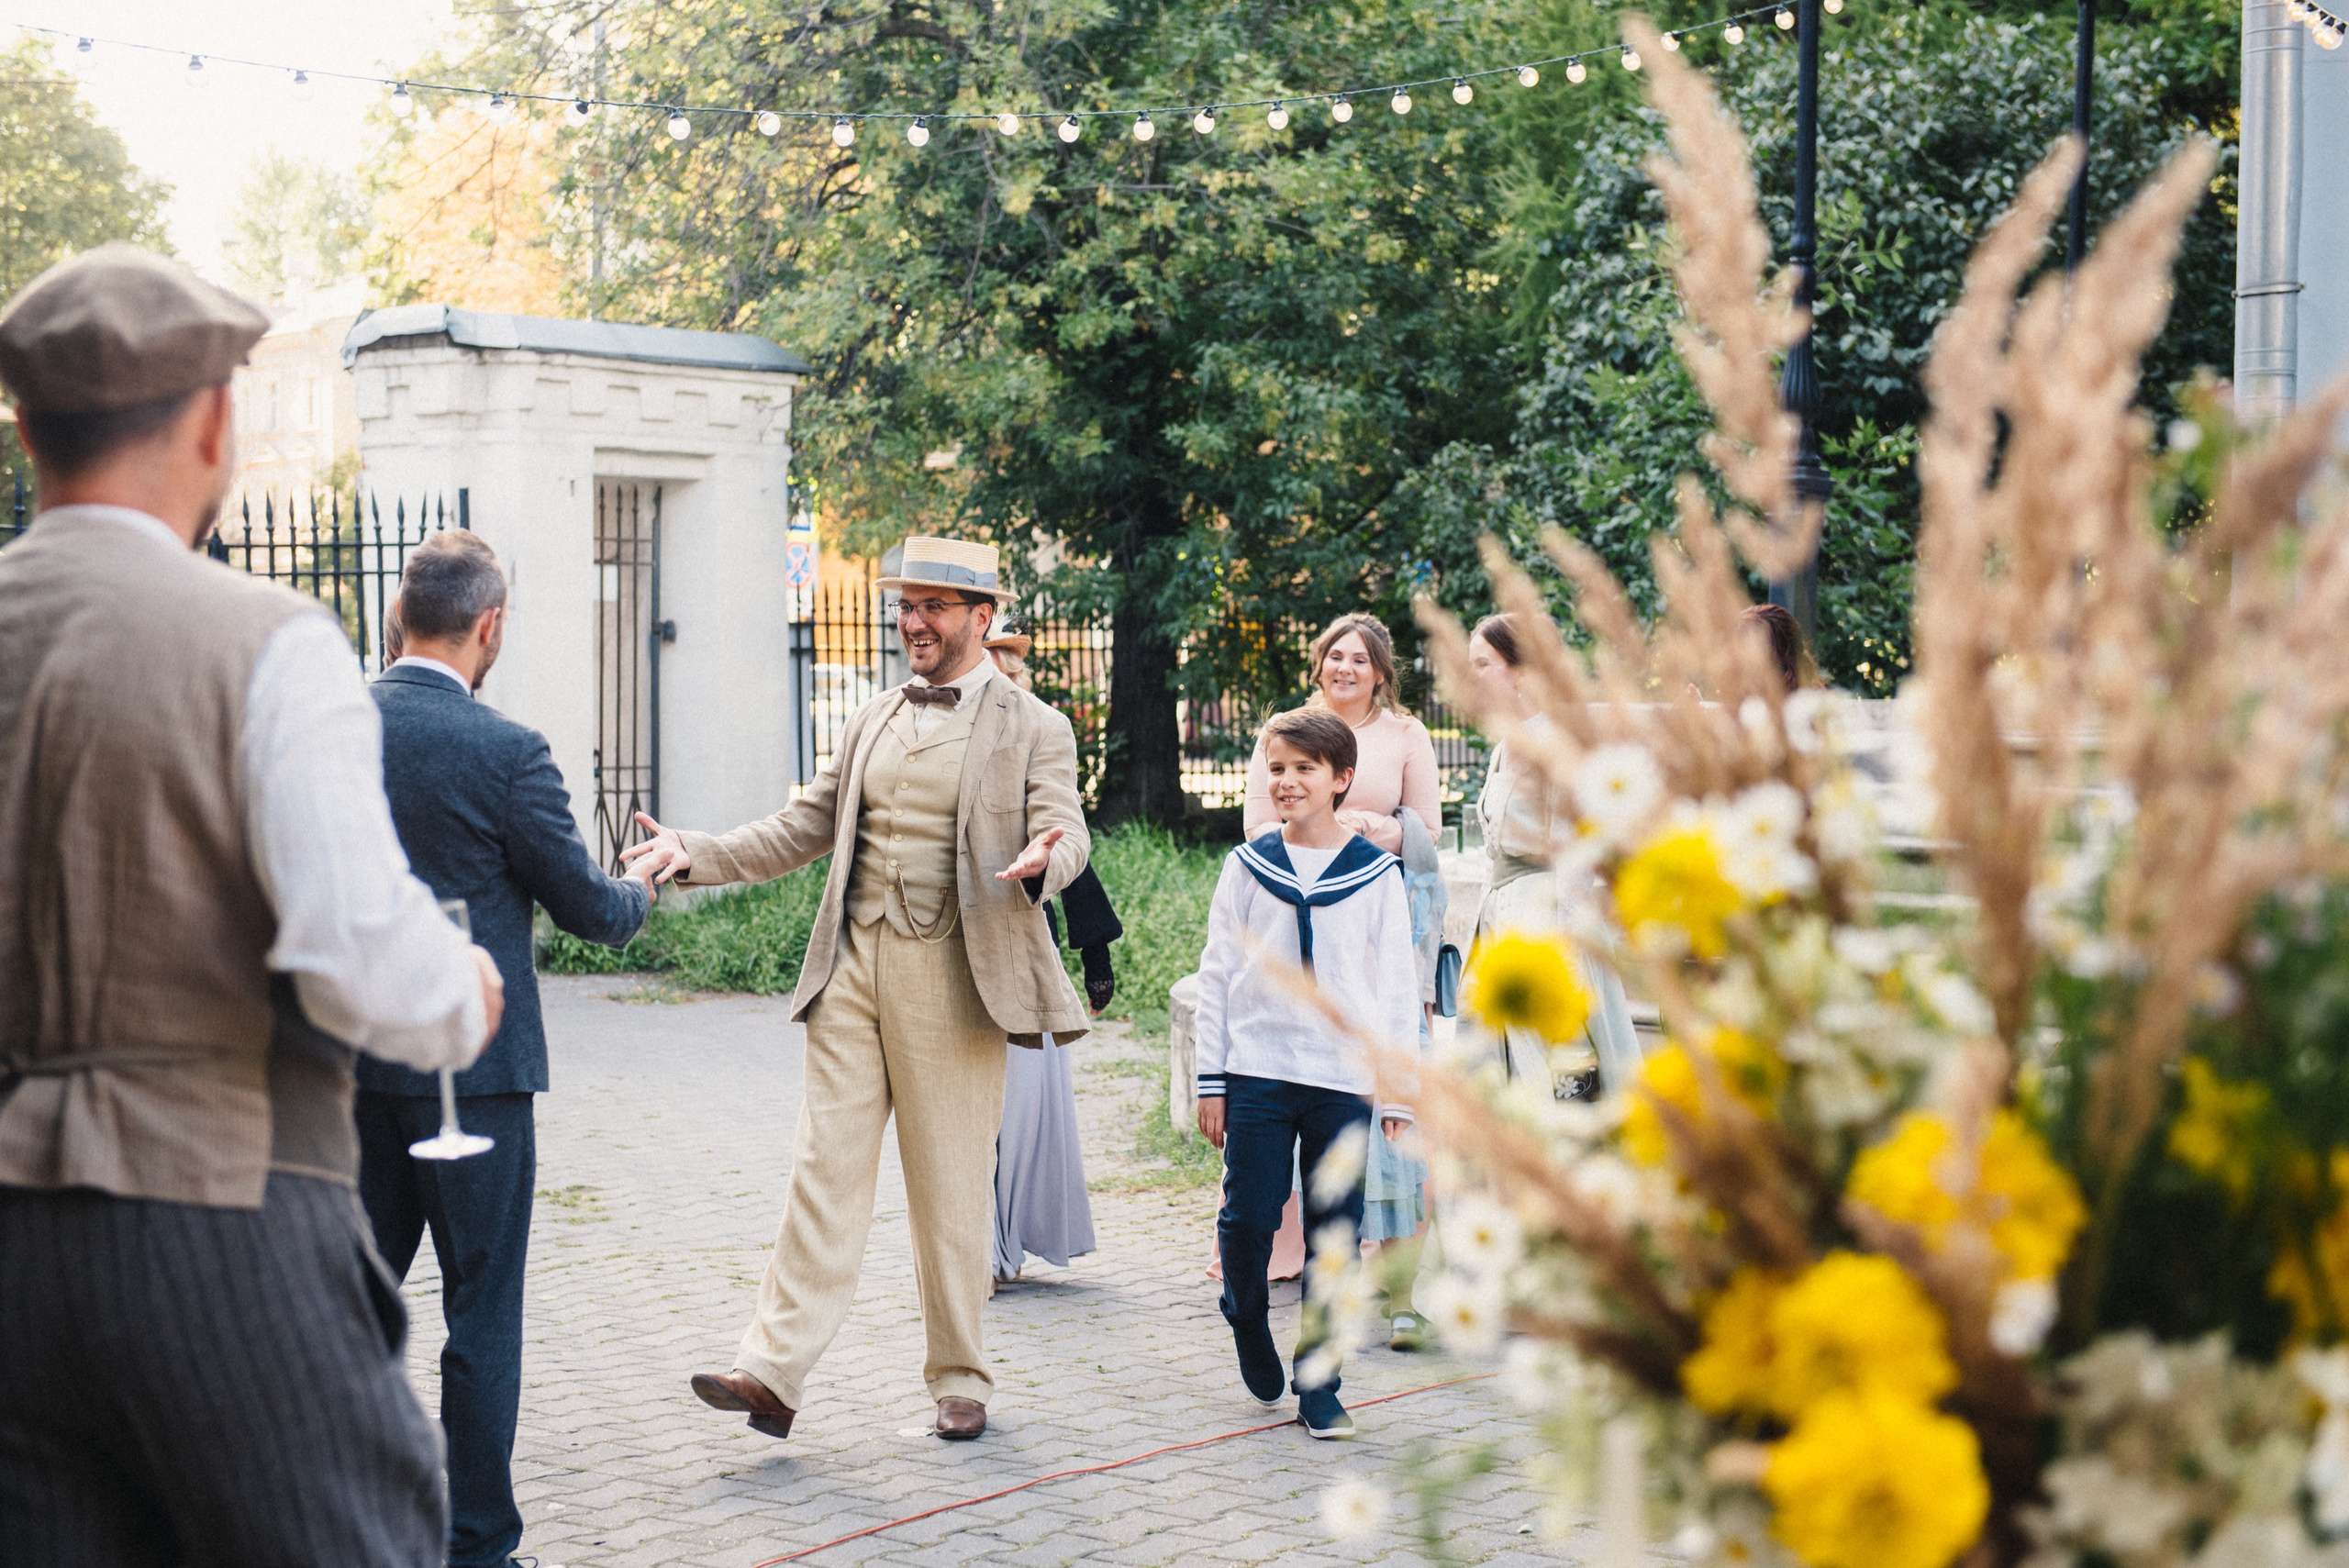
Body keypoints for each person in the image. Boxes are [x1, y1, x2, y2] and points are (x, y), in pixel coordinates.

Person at [0, 243, 504, 1566]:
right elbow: (351, 955)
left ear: (26, 427)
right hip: (222, 1208)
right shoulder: (264, 641)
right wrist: (462, 994)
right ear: (218, 417)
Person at [624, 536, 1090, 1442]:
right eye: (905, 605)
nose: (913, 621)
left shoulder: (1034, 724)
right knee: (822, 1171)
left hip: (955, 979)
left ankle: (960, 1375)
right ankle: (770, 1371)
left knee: (948, 1186)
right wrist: (696, 851)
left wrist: (1045, 863)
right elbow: (806, 822)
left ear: (980, 617)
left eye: (934, 607)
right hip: (850, 970)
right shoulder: (873, 714)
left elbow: (1064, 826)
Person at [358, 530, 654, 1568]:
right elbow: (590, 909)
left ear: (402, 614)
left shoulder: (329, 726)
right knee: (480, 1312)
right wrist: (646, 881)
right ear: (490, 625)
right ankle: (475, 1546)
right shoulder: (508, 751)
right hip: (475, 1079)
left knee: (347, 1305)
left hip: (349, 1068)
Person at [1196, 707, 1419, 1439]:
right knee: (1249, 1216)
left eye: (1303, 769)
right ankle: (1247, 1313)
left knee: (1335, 1232)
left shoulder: (1377, 874)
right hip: (1258, 1068)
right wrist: (1211, 1079)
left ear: (1340, 779)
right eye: (1277, 767)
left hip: (1341, 1077)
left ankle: (1321, 1379)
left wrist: (1397, 1092)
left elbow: (1393, 985)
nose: (1286, 781)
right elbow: (1218, 972)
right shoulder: (1247, 866)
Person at [1236, 613, 1442, 1340]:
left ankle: (1402, 1287)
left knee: (1394, 1109)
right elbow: (1259, 827)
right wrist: (1320, 829)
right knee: (1304, 1103)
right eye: (1334, 656)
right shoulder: (1290, 732)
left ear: (1381, 670)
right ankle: (1312, 1263)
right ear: (1318, 664)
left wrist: (1367, 832)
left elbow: (1425, 831)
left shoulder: (1406, 736)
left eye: (1359, 658)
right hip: (1299, 930)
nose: (1345, 667)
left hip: (1380, 920)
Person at [1464, 613, 1644, 1096]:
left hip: (1547, 914)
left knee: (1555, 1063)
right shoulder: (1506, 740)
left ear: (1519, 671)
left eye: (1482, 665)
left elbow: (1580, 841)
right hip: (1504, 910)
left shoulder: (1554, 738)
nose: (1471, 677)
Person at [983, 621, 1109, 1284]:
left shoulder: (1040, 737)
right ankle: (981, 1246)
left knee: (1022, 1109)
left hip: (1027, 947)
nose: (1003, 680)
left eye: (1012, 671)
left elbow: (1069, 845)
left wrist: (1095, 954)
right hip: (956, 949)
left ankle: (1006, 1241)